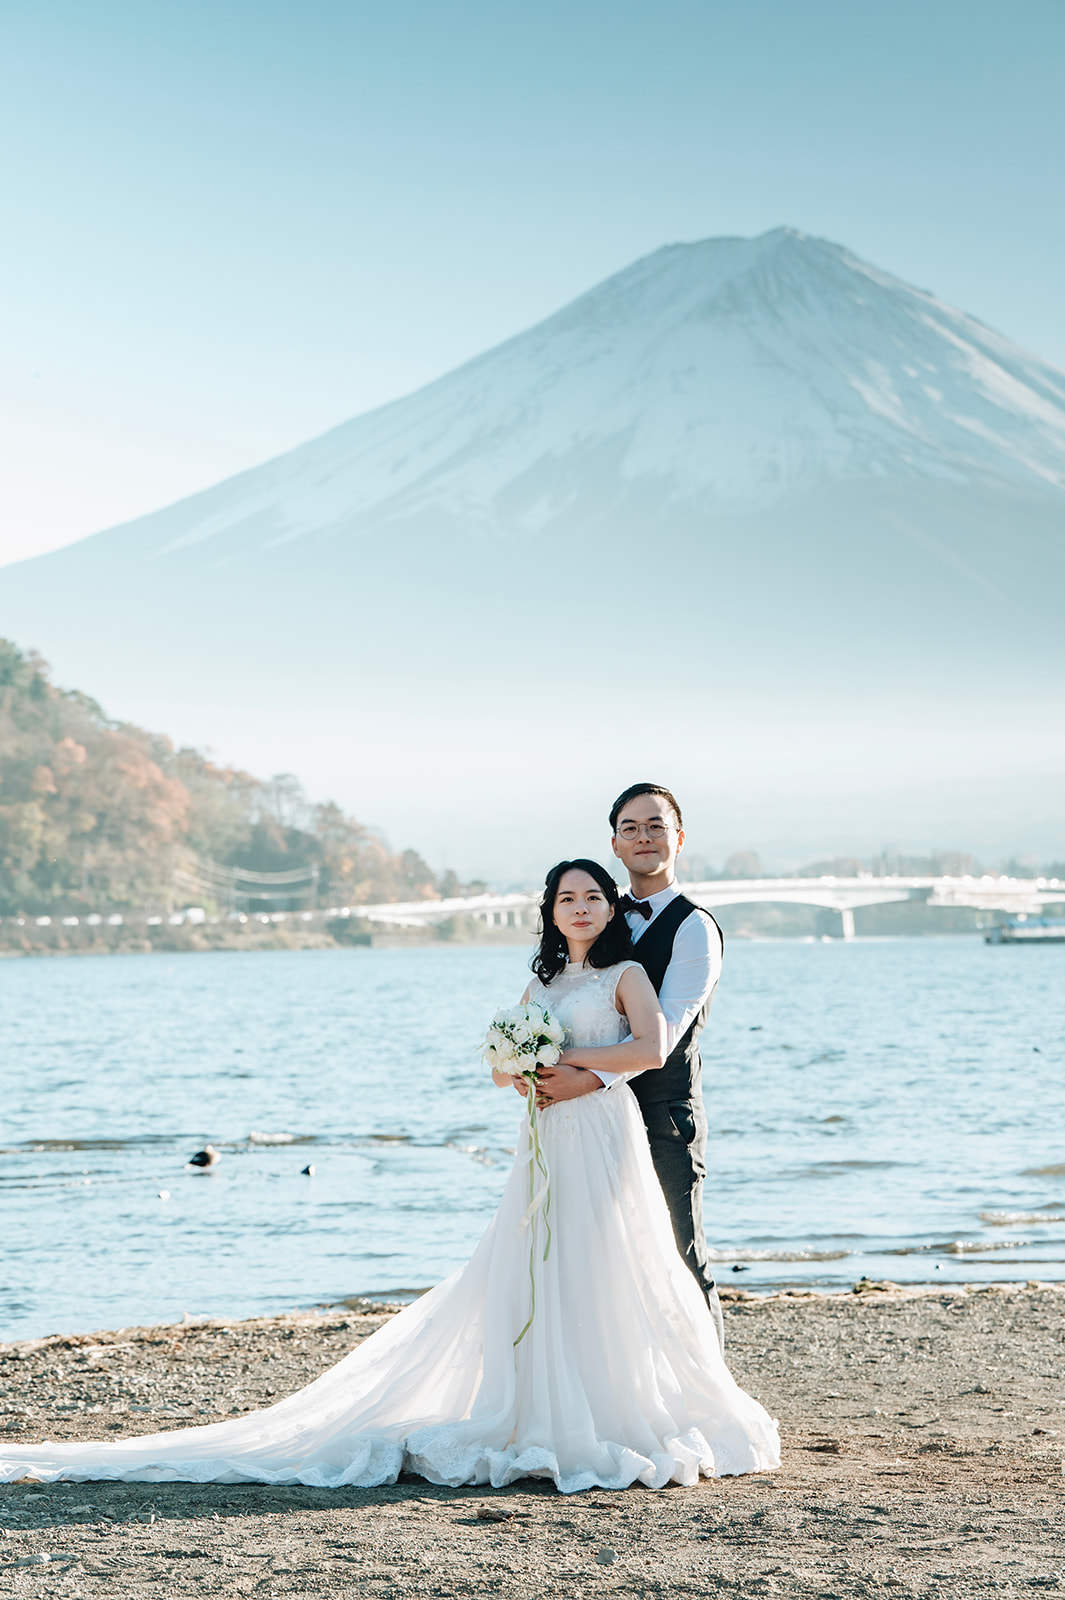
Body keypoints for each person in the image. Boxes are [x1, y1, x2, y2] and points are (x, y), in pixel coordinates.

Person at [0, 858, 778, 1493]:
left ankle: (608, 1409)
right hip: (544, 1133)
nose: (580, 908)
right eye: (566, 899)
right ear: (550, 912)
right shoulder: (538, 985)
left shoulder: (627, 974)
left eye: (592, 898)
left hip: (603, 1132)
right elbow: (499, 1071)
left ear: (609, 909)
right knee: (539, 1262)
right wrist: (524, 1068)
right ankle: (540, 1405)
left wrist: (568, 1061)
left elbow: (649, 1049)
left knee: (608, 1257)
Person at [535, 784, 726, 1350]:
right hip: (589, 1125)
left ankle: (711, 1387)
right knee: (605, 1260)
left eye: (655, 826)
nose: (643, 838)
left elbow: (663, 1035)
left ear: (679, 839)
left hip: (663, 1117)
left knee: (678, 1254)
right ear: (615, 844)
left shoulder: (694, 929)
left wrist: (583, 1078)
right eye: (630, 828)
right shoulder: (595, 911)